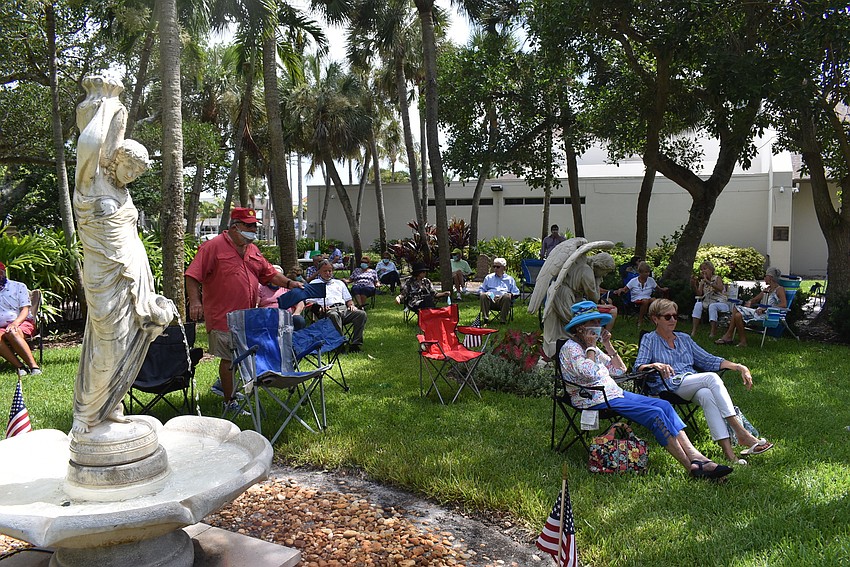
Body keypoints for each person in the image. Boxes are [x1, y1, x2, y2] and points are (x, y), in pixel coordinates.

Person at [71, 76, 175, 433]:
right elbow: (91, 142)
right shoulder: (91, 181)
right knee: (109, 345)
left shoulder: (123, 193)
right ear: (114, 159)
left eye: (137, 173)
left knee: (131, 342)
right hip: (104, 278)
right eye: (127, 167)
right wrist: (109, 104)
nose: (130, 176)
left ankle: (110, 402)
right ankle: (86, 414)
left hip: (132, 276)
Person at [561, 301, 733, 479]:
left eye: (599, 323)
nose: (599, 327)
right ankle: (691, 468)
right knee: (655, 414)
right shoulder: (571, 348)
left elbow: (620, 370)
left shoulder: (594, 348)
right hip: (592, 397)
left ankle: (697, 457)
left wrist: (607, 345)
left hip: (613, 393)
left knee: (664, 405)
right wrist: (590, 347)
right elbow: (588, 373)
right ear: (581, 328)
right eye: (594, 323)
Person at [185, 207, 303, 411]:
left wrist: (289, 283)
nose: (253, 229)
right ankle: (228, 401)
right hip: (223, 315)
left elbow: (269, 273)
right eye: (248, 226)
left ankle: (229, 389)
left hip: (247, 317)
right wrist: (195, 302)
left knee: (242, 357)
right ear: (235, 226)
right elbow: (192, 275)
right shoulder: (213, 247)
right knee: (229, 358)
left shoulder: (252, 249)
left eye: (254, 226)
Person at [636, 299, 774, 463]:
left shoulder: (684, 339)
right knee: (711, 377)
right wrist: (654, 365)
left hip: (690, 382)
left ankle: (730, 455)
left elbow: (709, 360)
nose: (673, 320)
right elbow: (638, 366)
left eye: (675, 316)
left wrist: (739, 366)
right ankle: (741, 432)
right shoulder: (649, 339)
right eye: (667, 317)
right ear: (655, 319)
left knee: (707, 394)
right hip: (667, 385)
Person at [715, 267, 787, 347]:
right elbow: (755, 300)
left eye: (765, 276)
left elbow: (784, 305)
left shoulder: (779, 289)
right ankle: (742, 341)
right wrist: (750, 302)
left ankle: (729, 335)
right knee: (738, 315)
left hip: (769, 315)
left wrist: (765, 308)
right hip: (759, 313)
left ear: (771, 277)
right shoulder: (767, 289)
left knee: (737, 310)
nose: (764, 278)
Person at [307, 260, 368, 352]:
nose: (328, 273)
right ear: (319, 271)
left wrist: (352, 305)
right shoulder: (314, 284)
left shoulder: (339, 283)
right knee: (334, 315)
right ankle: (339, 344)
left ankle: (355, 344)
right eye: (325, 271)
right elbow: (309, 303)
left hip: (343, 308)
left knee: (361, 314)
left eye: (330, 271)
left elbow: (348, 299)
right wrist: (320, 308)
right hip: (326, 310)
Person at [0, 262, 42, 376]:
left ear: (3, 273)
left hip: (22, 322)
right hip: (0, 328)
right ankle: (19, 366)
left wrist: (15, 323)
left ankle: (34, 367)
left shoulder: (18, 286)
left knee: (12, 332)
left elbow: (25, 310)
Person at [614, 261, 667, 328]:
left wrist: (664, 290)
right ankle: (640, 320)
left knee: (655, 300)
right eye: (645, 272)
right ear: (640, 273)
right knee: (645, 301)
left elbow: (658, 289)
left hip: (648, 298)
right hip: (636, 300)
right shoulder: (633, 281)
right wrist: (620, 290)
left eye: (648, 272)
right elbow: (625, 289)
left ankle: (654, 319)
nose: (647, 274)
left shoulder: (651, 280)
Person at [258, 265, 306, 330]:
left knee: (298, 320)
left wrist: (296, 313)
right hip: (266, 316)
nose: (276, 279)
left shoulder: (288, 288)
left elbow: (300, 302)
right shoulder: (261, 288)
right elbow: (256, 303)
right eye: (273, 276)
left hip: (286, 315)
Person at [690, 261, 729, 337]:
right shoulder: (702, 281)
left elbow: (720, 288)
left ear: (711, 269)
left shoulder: (717, 278)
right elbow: (699, 294)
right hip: (707, 302)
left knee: (712, 306)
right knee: (698, 304)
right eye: (702, 269)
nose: (703, 271)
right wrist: (694, 285)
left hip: (720, 302)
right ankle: (694, 331)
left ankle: (713, 332)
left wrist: (708, 282)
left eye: (705, 269)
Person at [478, 257, 519, 324]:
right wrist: (483, 293)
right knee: (483, 295)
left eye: (498, 267)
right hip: (490, 300)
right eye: (494, 266)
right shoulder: (489, 277)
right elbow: (481, 289)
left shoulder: (509, 279)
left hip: (502, 301)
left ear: (504, 268)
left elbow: (516, 292)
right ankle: (485, 319)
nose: (495, 269)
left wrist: (511, 295)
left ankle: (503, 320)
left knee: (507, 296)